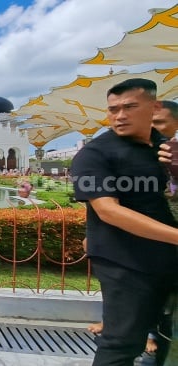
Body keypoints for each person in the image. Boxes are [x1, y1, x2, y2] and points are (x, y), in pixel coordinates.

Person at [71, 79, 178, 365]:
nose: (120, 116)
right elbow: (109, 211)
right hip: (125, 263)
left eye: (130, 107)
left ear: (154, 107)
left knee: (170, 335)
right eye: (113, 109)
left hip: (168, 258)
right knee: (123, 343)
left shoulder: (164, 147)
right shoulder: (95, 154)